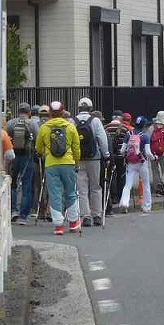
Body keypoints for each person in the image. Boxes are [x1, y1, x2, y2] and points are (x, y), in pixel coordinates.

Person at [36, 100, 82, 235]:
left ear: (50, 113)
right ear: (63, 112)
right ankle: (73, 222)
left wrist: (45, 152)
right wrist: (76, 162)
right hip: (68, 163)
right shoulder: (70, 127)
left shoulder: (44, 128)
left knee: (55, 194)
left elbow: (38, 147)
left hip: (51, 164)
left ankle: (58, 226)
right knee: (70, 192)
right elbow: (76, 148)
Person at [75, 97, 109, 227]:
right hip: (94, 157)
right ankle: (97, 215)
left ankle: (85, 216)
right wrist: (105, 154)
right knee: (95, 187)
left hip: (79, 158)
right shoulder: (95, 121)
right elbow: (102, 138)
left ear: (79, 108)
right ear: (90, 108)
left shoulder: (73, 121)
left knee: (82, 189)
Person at [6, 103, 35, 224]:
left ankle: (13, 211)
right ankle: (23, 216)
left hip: (14, 156)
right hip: (28, 157)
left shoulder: (11, 123)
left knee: (12, 184)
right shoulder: (32, 123)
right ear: (29, 113)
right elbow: (37, 141)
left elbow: (6, 138)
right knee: (26, 186)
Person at [118, 116, 154, 214]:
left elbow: (122, 150)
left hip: (131, 163)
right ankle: (146, 207)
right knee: (146, 185)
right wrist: (153, 157)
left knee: (128, 184)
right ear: (144, 125)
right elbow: (148, 152)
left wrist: (127, 156)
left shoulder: (128, 134)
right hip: (142, 163)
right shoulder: (145, 136)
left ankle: (124, 204)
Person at [149, 110, 164, 195]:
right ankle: (162, 183)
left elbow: (148, 141)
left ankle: (157, 189)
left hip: (153, 153)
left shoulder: (151, 128)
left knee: (155, 171)